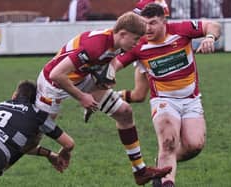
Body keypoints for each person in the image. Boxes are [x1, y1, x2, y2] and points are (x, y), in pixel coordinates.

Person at [35, 11, 172, 185]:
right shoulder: (95, 45)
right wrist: (82, 97)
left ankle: (140, 171)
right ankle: (3, 159)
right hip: (52, 86)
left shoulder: (119, 42)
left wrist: (109, 73)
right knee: (32, 138)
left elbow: (112, 60)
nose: (137, 44)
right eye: (135, 39)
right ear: (122, 34)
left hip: (82, 79)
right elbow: (56, 74)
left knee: (124, 112)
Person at [113, 3, 221, 187]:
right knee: (168, 142)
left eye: (153, 23)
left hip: (191, 100)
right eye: (144, 23)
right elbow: (114, 65)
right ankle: (166, 179)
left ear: (164, 21)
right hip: (163, 101)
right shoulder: (139, 45)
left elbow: (213, 25)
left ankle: (161, 163)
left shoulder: (181, 30)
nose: (147, 28)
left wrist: (210, 37)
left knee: (195, 145)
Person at [0, 80, 74, 187]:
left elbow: (10, 142)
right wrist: (62, 153)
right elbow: (69, 144)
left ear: (14, 95)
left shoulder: (1, 105)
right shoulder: (39, 116)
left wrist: (48, 154)